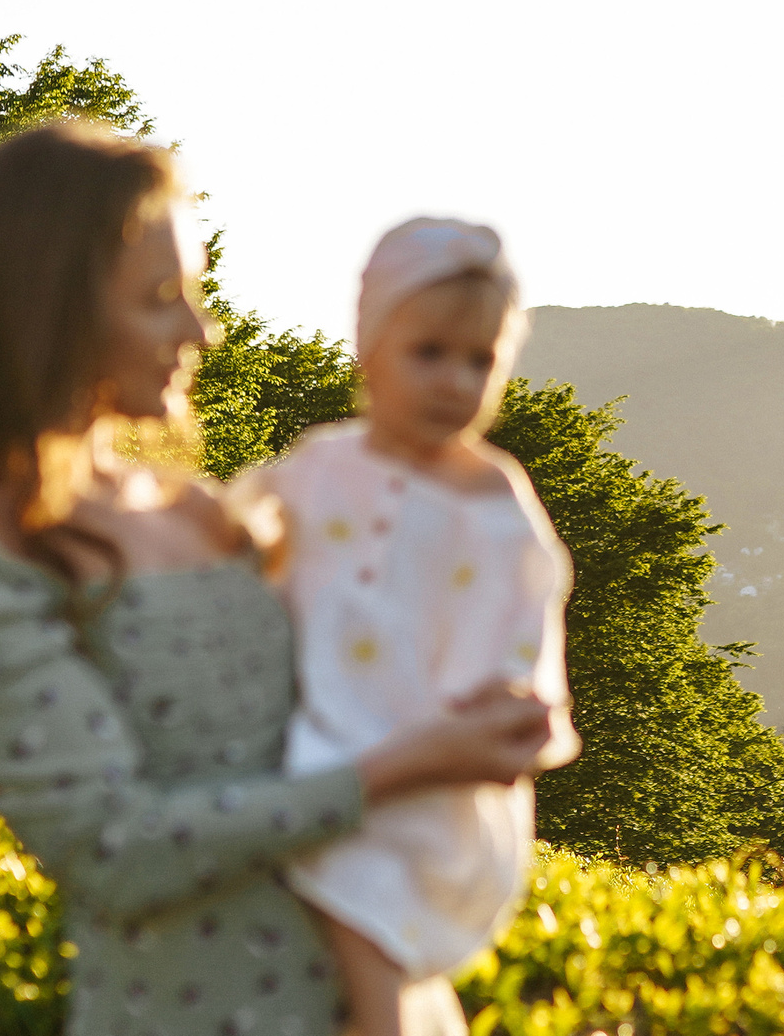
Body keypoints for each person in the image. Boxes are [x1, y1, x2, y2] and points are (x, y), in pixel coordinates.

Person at [0, 123, 572, 1036]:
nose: (202, 331)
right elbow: (114, 847)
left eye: (195, 293)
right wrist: (412, 763)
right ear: (46, 307)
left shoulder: (196, 507)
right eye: (162, 298)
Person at [239, 218, 576, 1036]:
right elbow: (244, 544)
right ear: (368, 346)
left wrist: (510, 701)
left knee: (362, 884)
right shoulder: (319, 467)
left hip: (439, 766)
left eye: (480, 360)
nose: (455, 382)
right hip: (322, 731)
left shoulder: (495, 501)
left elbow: (528, 614)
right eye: (429, 353)